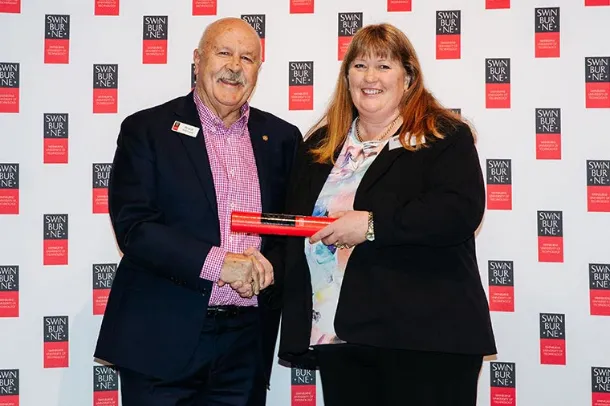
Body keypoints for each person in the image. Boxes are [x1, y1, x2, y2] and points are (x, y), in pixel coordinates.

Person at [277, 23, 497, 406]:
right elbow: (294, 225)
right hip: (339, 337)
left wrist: (372, 225)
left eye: (384, 66)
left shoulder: (443, 137)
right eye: (360, 66)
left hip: (425, 341)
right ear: (346, 78)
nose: (370, 77)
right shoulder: (321, 146)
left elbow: (459, 211)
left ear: (408, 77)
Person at [94, 17, 301, 406]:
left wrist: (269, 266)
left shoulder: (283, 138)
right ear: (197, 59)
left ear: (259, 69)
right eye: (223, 52)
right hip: (160, 340)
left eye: (247, 58)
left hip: (245, 345)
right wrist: (219, 264)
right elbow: (135, 227)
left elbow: (288, 228)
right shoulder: (148, 130)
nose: (234, 66)